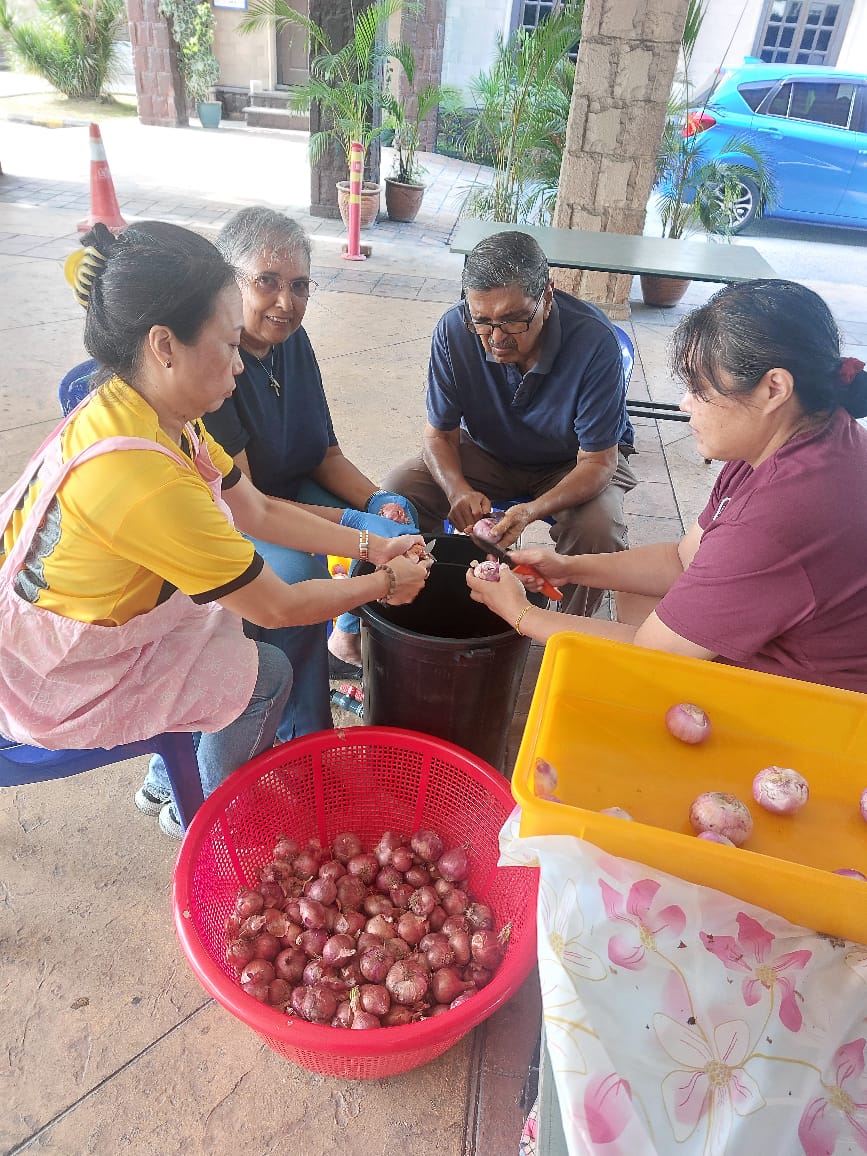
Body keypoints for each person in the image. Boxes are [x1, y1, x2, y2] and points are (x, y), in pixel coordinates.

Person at [0, 221, 429, 839]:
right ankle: (195, 812)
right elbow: (279, 606)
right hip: (56, 675)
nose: (238, 367)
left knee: (227, 613)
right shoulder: (144, 479)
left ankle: (167, 771)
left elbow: (257, 510)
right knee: (268, 674)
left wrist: (373, 545)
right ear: (164, 345)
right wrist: (384, 581)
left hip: (93, 622)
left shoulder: (150, 408)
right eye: (228, 346)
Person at [466, 279, 867, 694]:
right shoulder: (798, 437)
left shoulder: (779, 516)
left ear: (774, 389)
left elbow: (651, 651)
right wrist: (569, 567)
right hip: (796, 640)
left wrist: (520, 615)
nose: (684, 404)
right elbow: (681, 559)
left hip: (814, 700)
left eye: (700, 389)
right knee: (632, 596)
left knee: (620, 670)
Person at [204, 207, 417, 738]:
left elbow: (326, 454)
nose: (286, 301)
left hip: (290, 486)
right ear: (231, 285)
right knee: (298, 576)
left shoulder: (292, 344)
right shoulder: (212, 365)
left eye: (299, 285)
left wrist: (376, 504)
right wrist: (356, 527)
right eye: (267, 282)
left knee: (400, 520)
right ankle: (299, 729)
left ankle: (343, 640)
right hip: (243, 509)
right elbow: (247, 503)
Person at [382, 229, 638, 617]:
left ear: (548, 297)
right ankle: (427, 595)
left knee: (598, 529)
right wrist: (457, 491)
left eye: (514, 320)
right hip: (488, 450)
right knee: (400, 490)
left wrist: (531, 510)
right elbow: (439, 435)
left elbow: (598, 462)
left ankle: (564, 630)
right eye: (482, 322)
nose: (496, 339)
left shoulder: (594, 342)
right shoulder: (454, 330)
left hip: (572, 463)